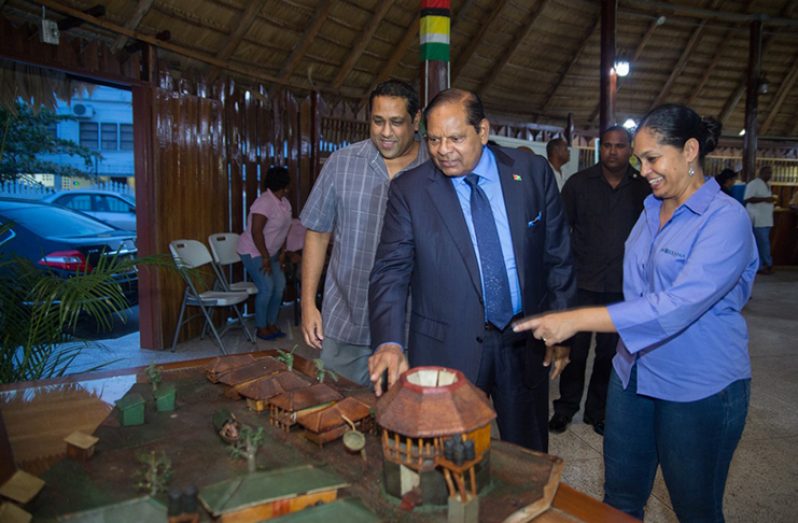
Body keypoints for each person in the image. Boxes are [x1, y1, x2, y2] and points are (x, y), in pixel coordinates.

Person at [513, 103, 758, 521]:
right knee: (620, 501)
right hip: (633, 377)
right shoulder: (649, 210)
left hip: (697, 386)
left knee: (695, 508)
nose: (643, 171)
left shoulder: (726, 219)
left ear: (691, 150)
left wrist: (575, 319)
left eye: (652, 158)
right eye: (638, 160)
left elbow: (676, 306)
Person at [368, 88, 576, 452]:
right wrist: (389, 340)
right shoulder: (410, 191)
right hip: (446, 346)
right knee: (446, 457)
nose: (443, 150)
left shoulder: (530, 173)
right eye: (433, 140)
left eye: (455, 138)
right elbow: (390, 270)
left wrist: (561, 329)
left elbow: (558, 256)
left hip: (523, 341)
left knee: (526, 457)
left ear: (482, 130)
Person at [299, 79, 428, 386]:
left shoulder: (435, 169)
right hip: (347, 322)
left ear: (417, 121)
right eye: (378, 121)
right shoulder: (342, 163)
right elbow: (317, 233)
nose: (385, 132)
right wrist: (307, 304)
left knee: (404, 424)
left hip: (411, 330)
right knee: (337, 415)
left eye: (396, 122)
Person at [549, 126, 650, 436]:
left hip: (622, 287)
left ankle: (598, 412)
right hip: (582, 283)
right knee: (573, 352)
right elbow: (560, 231)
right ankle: (565, 409)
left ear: (630, 149)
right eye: (607, 145)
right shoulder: (579, 184)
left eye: (620, 146)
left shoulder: (643, 188)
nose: (613, 151)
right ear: (599, 148)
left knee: (609, 354)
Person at [237, 165, 292, 340]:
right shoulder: (264, 202)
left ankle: (272, 323)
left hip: (273, 253)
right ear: (285, 185)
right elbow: (256, 232)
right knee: (267, 288)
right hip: (253, 252)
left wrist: (283, 252)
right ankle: (261, 327)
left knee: (279, 287)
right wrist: (265, 258)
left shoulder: (284, 203)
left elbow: (285, 229)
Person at [744, 165, 776, 275]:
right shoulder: (754, 184)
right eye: (767, 173)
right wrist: (766, 199)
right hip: (758, 219)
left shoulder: (767, 185)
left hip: (766, 219)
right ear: (761, 173)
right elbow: (748, 198)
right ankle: (767, 264)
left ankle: (761, 266)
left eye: (770, 173)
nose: (769, 175)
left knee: (761, 244)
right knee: (763, 244)